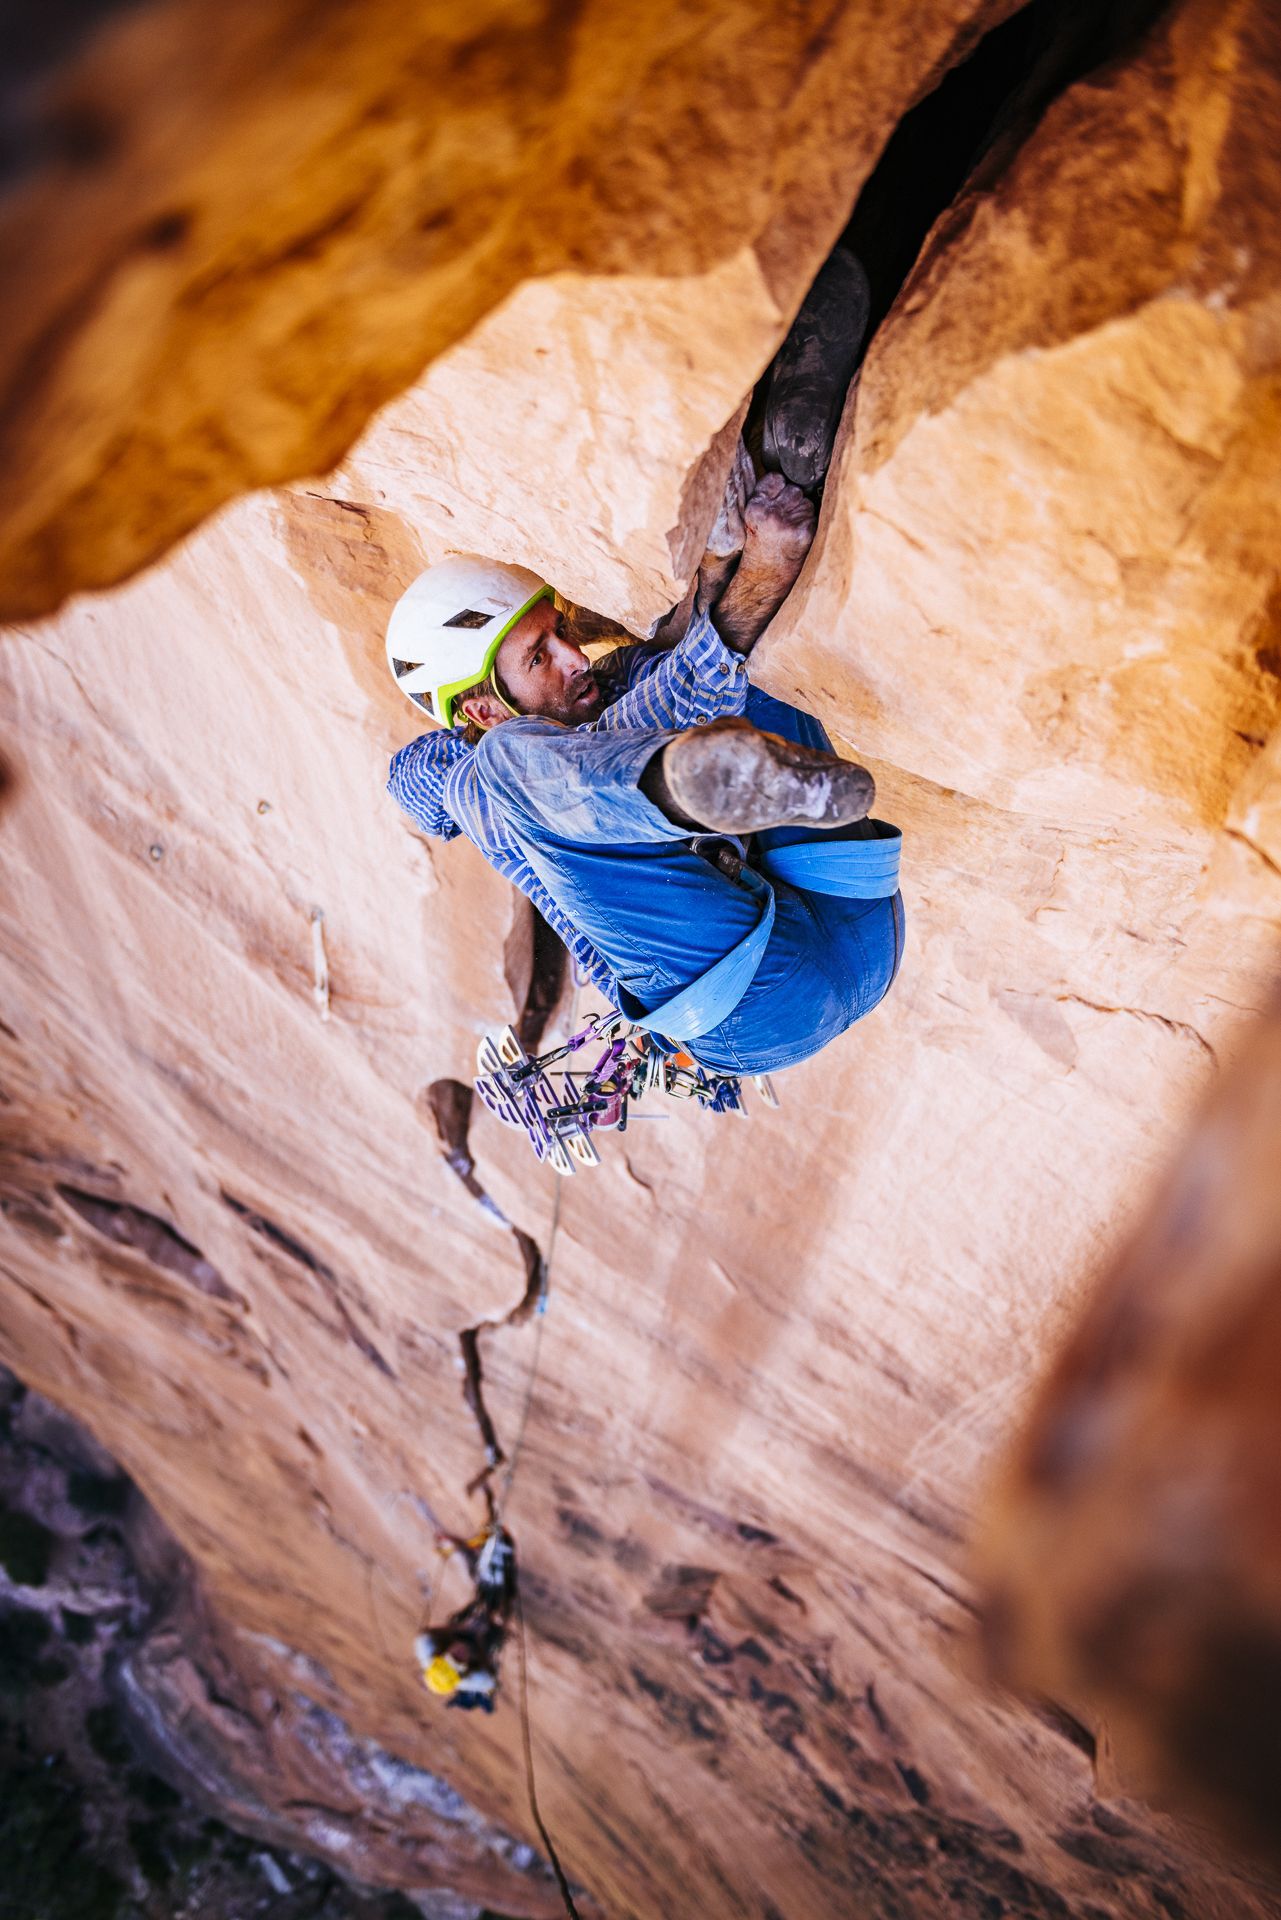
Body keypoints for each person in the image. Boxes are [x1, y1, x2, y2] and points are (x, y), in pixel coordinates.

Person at [385, 458, 904, 1080]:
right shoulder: (478, 775)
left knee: (693, 676)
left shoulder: (602, 693)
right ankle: (689, 784)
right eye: (539, 658)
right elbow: (412, 782)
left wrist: (712, 577)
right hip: (750, 1005)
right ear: (480, 708)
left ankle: (789, 472)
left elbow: (664, 672)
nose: (576, 658)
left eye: (562, 634)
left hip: (850, 908)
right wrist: (749, 582)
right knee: (506, 769)